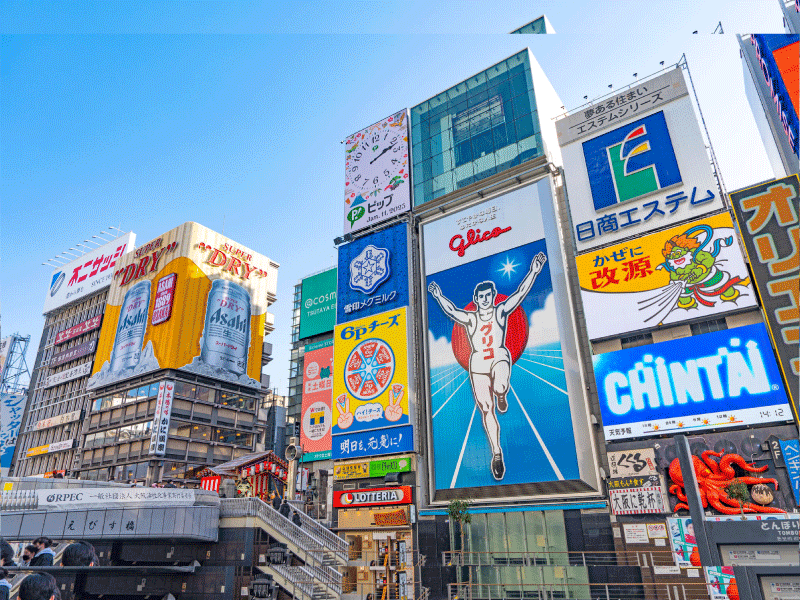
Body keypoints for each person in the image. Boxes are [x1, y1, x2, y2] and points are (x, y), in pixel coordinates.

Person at [428, 252, 547, 481]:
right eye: (480, 296)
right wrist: (438, 294)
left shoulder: (500, 311)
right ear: (476, 298)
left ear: (492, 297)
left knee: (500, 385)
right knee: (486, 408)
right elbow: (452, 310)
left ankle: (502, 393)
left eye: (488, 295)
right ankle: (496, 452)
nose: (484, 299)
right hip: (479, 363)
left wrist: (534, 270)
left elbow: (520, 293)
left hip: (499, 356)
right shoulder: (471, 319)